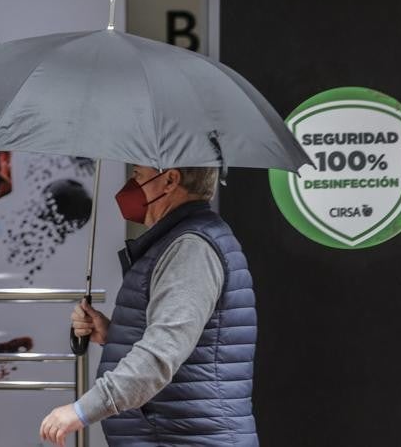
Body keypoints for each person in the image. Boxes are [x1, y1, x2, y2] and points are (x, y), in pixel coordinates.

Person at [39, 165, 257, 446]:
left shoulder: (191, 248)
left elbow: (160, 354)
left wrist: (81, 410)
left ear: (169, 180)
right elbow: (185, 342)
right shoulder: (183, 240)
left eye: (138, 176)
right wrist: (113, 334)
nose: (130, 184)